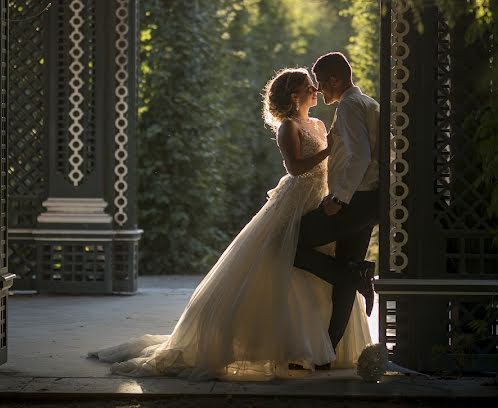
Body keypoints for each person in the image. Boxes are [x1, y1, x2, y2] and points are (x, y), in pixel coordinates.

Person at [88, 68, 371, 381]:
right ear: (294, 95)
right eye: (308, 86)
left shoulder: (319, 123)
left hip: (319, 199)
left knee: (313, 266)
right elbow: (295, 168)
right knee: (283, 261)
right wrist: (329, 149)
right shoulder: (288, 127)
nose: (315, 89)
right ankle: (293, 347)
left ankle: (318, 346)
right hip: (295, 201)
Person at [293, 52, 380, 365]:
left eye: (320, 84)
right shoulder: (369, 103)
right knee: (345, 267)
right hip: (370, 202)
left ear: (334, 80)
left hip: (355, 202)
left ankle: (357, 276)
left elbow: (361, 156)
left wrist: (339, 198)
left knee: (291, 244)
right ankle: (326, 354)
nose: (318, 90)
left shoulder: (348, 106)